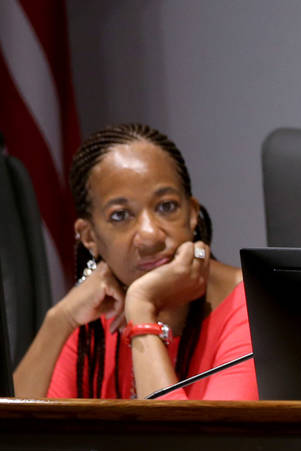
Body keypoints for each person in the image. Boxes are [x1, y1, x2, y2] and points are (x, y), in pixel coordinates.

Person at [13, 123, 257, 399]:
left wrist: (141, 308)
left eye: (167, 206)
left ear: (192, 215)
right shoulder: (94, 318)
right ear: (89, 236)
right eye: (121, 216)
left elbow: (190, 442)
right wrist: (60, 319)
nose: (150, 235)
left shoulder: (252, 307)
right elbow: (15, 434)